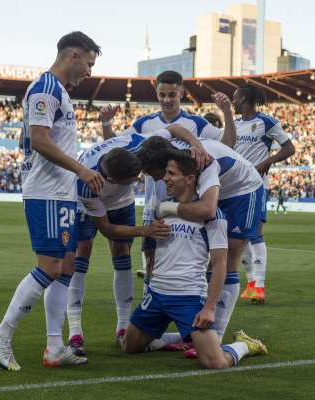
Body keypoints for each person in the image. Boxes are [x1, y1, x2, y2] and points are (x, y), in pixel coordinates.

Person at [0, 31, 106, 371]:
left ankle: (54, 348)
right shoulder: (46, 88)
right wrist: (81, 170)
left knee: (65, 268)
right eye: (89, 63)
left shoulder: (60, 93)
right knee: (51, 267)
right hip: (47, 191)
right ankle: (2, 334)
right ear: (74, 55)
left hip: (61, 193)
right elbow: (39, 140)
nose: (89, 72)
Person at [66, 124, 211, 355]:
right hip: (86, 203)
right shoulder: (87, 184)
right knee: (79, 261)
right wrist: (145, 231)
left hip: (121, 202)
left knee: (123, 258)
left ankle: (123, 328)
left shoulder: (140, 146)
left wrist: (196, 144)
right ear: (113, 178)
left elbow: (173, 128)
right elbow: (107, 229)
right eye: (134, 179)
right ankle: (75, 333)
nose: (142, 179)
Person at [121, 149, 268, 369]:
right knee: (129, 348)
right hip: (157, 295)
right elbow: (150, 243)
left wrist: (209, 307)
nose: (165, 178)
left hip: (188, 297)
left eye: (171, 173)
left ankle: (244, 345)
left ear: (190, 179)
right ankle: (180, 336)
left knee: (215, 362)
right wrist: (150, 271)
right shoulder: (161, 208)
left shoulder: (213, 216)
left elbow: (220, 265)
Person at [99, 71, 237, 281]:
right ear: (157, 93)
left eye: (172, 94)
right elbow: (115, 146)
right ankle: (151, 303)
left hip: (189, 205)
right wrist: (106, 124)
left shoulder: (196, 123)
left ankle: (189, 302)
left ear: (181, 93)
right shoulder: (144, 123)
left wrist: (227, 112)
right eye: (162, 94)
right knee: (151, 264)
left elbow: (228, 143)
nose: (167, 100)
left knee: (189, 262)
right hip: (153, 206)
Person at [231, 83, 295, 304]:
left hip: (257, 185)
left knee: (256, 234)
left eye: (234, 97)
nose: (232, 101)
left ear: (243, 99)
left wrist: (268, 161)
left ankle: (260, 285)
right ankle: (250, 283)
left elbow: (289, 147)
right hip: (234, 186)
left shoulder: (267, 122)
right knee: (240, 235)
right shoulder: (235, 124)